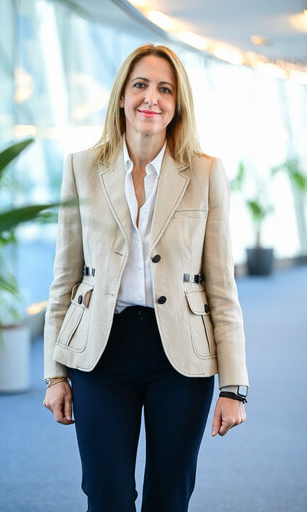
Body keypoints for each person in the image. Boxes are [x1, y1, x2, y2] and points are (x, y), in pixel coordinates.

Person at [43, 43, 249, 512]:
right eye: (140, 85)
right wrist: (54, 374)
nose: (150, 98)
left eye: (164, 89)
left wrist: (234, 386)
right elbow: (64, 277)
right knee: (106, 493)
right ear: (121, 95)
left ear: (177, 105)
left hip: (180, 356)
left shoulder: (205, 172)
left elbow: (221, 287)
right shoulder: (81, 167)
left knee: (170, 494)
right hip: (101, 351)